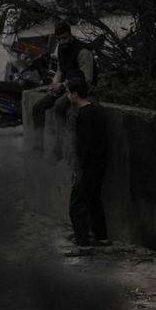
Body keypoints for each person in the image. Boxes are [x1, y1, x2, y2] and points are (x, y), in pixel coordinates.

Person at [30, 22, 96, 142]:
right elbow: (60, 70)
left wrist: (64, 85)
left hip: (81, 89)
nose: (62, 42)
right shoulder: (61, 48)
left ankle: (62, 143)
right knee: (37, 108)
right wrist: (54, 84)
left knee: (59, 105)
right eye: (59, 39)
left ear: (71, 35)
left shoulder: (83, 51)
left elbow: (87, 80)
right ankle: (37, 144)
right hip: (65, 86)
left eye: (64, 38)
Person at [66, 77, 110, 247]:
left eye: (69, 93)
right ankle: (101, 237)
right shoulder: (98, 111)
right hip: (100, 165)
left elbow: (84, 146)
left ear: (75, 94)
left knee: (76, 206)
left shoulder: (84, 116)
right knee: (94, 200)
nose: (68, 97)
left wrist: (78, 169)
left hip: (87, 167)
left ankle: (82, 243)